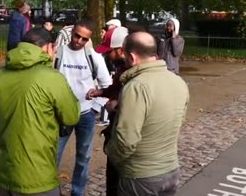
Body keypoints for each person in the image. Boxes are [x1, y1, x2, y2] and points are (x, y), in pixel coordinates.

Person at [0, 28, 80, 196]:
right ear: (48, 48)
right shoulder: (52, 78)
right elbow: (71, 116)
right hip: (39, 177)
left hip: (5, 174)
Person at [105, 32, 189, 196]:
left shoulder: (136, 86)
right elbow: (177, 122)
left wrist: (110, 152)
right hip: (170, 171)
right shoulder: (178, 82)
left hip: (140, 177)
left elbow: (126, 141)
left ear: (131, 56)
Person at [54, 19, 112, 196]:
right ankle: (50, 191)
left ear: (89, 39)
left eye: (84, 39)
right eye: (76, 36)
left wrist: (96, 105)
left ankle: (77, 192)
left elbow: (108, 85)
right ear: (72, 33)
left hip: (86, 114)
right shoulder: (58, 53)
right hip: (61, 114)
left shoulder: (94, 57)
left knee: (84, 158)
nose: (78, 41)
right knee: (52, 156)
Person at [88, 26, 129, 196]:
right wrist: (102, 92)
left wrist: (115, 106)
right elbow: (117, 86)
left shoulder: (131, 72)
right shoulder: (123, 68)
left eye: (108, 51)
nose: (105, 55)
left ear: (120, 50)